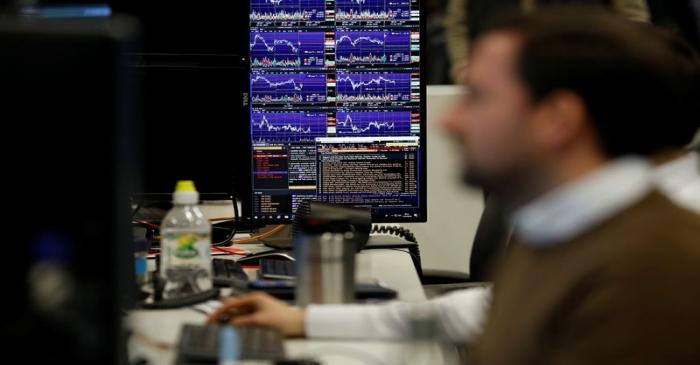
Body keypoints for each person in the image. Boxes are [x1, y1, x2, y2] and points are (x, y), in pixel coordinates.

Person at [211, 8, 700, 363]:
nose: (453, 122)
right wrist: (304, 320)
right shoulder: (564, 225)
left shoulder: (653, 268)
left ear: (557, 120)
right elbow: (476, 312)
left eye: (479, 98)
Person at [444, 0, 650, 82]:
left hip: (589, 76)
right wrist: (463, 64)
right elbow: (457, 22)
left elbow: (633, 18)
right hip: (505, 79)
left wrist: (622, 63)